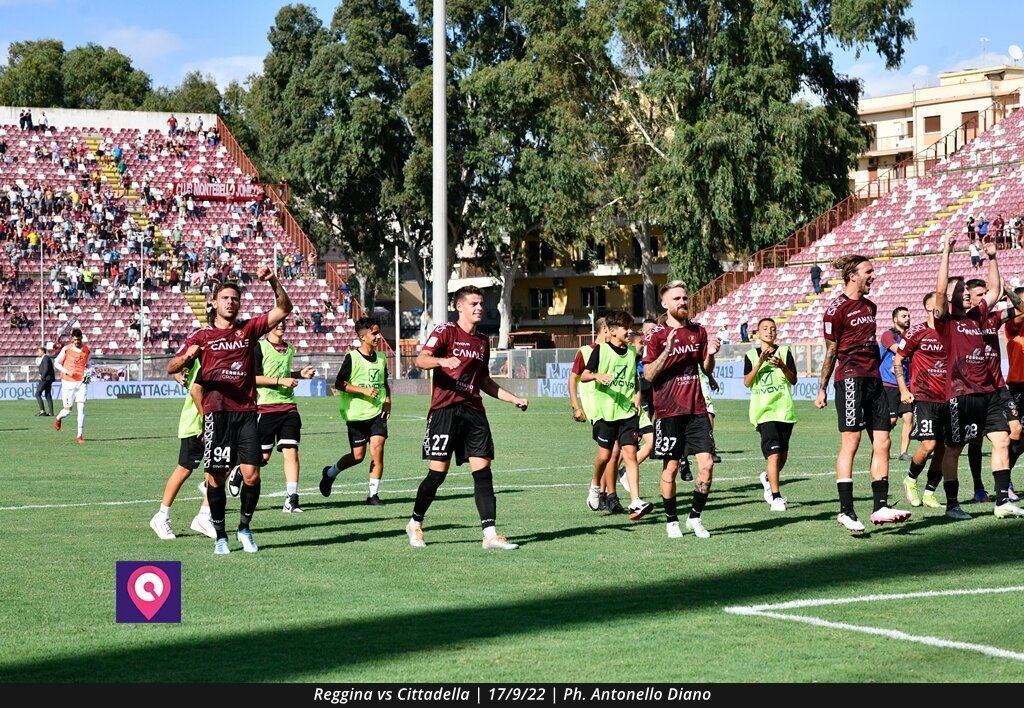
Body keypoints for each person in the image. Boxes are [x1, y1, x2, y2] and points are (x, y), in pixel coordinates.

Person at [166, 267, 293, 555]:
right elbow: (171, 367)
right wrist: (188, 357)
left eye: (235, 298)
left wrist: (273, 280)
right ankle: (220, 534)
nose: (230, 302)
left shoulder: (249, 329)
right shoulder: (202, 336)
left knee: (251, 474)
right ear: (214, 302)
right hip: (217, 414)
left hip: (247, 411)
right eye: (225, 298)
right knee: (216, 478)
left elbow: (284, 307)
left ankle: (244, 527)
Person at [405, 285, 528, 550]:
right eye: (473, 303)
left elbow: (484, 381)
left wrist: (513, 398)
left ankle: (490, 534)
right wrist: (442, 361)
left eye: (481, 304)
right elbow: (421, 360)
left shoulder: (482, 341)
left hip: (473, 411)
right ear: (459, 306)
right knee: (437, 474)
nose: (479, 308)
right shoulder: (445, 331)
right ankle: (415, 523)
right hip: (444, 411)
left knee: (483, 473)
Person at [816, 255, 910, 533]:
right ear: (852, 276)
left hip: (874, 380)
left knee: (883, 442)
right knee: (852, 442)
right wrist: (822, 387)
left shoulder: (871, 305)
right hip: (850, 380)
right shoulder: (835, 310)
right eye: (869, 272)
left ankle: (880, 506)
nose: (874, 276)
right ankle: (846, 511)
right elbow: (831, 351)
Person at [933, 234, 1023, 519]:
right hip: (960, 393)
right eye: (960, 289)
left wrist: (993, 258)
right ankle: (952, 505)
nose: (967, 293)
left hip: (990, 391)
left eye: (967, 290)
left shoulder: (979, 317)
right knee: (955, 447)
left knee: (1003, 440)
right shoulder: (946, 321)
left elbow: (995, 291)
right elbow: (938, 293)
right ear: (951, 296)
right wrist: (946, 253)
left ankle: (1001, 502)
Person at [642, 281, 721, 539]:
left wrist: (710, 353)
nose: (683, 302)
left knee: (707, 464)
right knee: (671, 468)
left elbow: (706, 369)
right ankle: (671, 520)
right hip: (668, 412)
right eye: (677, 298)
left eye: (685, 298)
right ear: (665, 304)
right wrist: (667, 351)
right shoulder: (655, 336)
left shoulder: (698, 332)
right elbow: (650, 375)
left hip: (696, 408)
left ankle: (695, 518)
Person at [580, 310, 655, 521]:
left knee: (630, 454)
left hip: (627, 413)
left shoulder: (632, 352)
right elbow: (584, 376)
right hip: (605, 413)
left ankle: (636, 501)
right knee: (605, 456)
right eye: (625, 327)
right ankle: (595, 486)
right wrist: (597, 375)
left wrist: (638, 395)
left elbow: (634, 378)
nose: (629, 331)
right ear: (612, 331)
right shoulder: (600, 350)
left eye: (630, 327)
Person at [247, 319, 316, 513]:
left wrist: (300, 374)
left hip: (288, 408)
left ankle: (291, 500)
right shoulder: (258, 347)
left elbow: (286, 373)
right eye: (277, 323)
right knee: (262, 457)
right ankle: (237, 470)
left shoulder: (290, 349)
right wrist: (280, 381)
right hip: (265, 408)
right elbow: (253, 377)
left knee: (291, 451)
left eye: (283, 323)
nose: (281, 326)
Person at [321, 317, 391, 505]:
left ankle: (373, 495)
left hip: (377, 412)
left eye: (378, 332)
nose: (378, 337)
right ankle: (330, 473)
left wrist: (388, 401)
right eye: (374, 333)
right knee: (357, 456)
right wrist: (364, 390)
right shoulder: (352, 357)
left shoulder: (382, 358)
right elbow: (338, 384)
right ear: (362, 337)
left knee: (377, 449)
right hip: (356, 415)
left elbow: (384, 383)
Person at [895, 293, 950, 512]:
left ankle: (929, 493)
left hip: (948, 397)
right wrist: (903, 389)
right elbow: (898, 359)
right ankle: (910, 479)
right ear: (929, 306)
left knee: (944, 448)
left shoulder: (950, 331)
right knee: (929, 444)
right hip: (925, 396)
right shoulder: (915, 332)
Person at [149, 358, 216, 540]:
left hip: (217, 422)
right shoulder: (201, 354)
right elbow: (175, 366)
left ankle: (204, 516)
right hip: (196, 423)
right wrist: (179, 375)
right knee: (185, 468)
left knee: (221, 468)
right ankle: (161, 516)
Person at [743, 318, 797, 511]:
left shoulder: (784, 352)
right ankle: (776, 497)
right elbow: (747, 382)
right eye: (765, 329)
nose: (769, 332)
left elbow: (793, 380)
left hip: (784, 411)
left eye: (773, 329)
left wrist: (782, 366)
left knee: (782, 456)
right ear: (758, 333)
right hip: (764, 412)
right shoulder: (750, 356)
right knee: (773, 455)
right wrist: (759, 362)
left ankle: (767, 478)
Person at [879, 307, 913, 461]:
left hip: (905, 385)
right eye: (903, 316)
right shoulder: (888, 335)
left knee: (908, 418)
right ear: (895, 319)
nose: (907, 318)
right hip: (889, 385)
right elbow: (899, 350)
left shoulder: (911, 337)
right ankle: (881, 443)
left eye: (908, 316)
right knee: (892, 420)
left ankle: (903, 452)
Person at [53, 329, 91, 443]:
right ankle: (58, 418)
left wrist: (88, 373)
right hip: (68, 382)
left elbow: (88, 364)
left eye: (78, 340)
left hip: (81, 383)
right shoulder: (66, 349)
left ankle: (79, 435)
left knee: (81, 408)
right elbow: (56, 363)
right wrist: (66, 371)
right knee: (67, 411)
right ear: (72, 339)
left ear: (81, 338)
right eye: (74, 339)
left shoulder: (87, 350)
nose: (76, 342)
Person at [35, 347, 55, 417]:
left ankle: (42, 410)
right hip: (48, 379)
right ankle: (51, 412)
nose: (37, 352)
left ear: (43, 351)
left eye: (38, 351)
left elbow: (46, 368)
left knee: (37, 393)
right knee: (48, 395)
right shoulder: (45, 358)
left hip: (45, 379)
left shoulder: (45, 358)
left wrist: (42, 376)